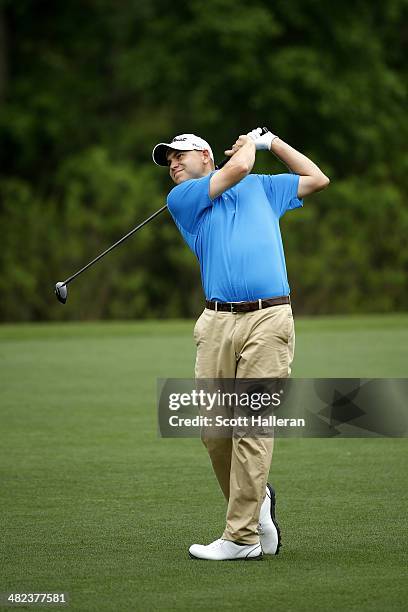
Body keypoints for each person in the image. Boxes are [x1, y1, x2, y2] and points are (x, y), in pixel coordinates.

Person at [152, 128, 330, 560]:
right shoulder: (185, 198)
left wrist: (272, 142)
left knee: (251, 427)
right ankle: (258, 501)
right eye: (168, 159)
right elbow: (241, 166)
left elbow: (316, 177)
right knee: (214, 433)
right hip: (216, 323)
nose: (172, 163)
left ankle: (241, 537)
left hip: (270, 318)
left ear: (205, 155)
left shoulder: (262, 188)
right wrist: (250, 148)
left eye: (179, 155)